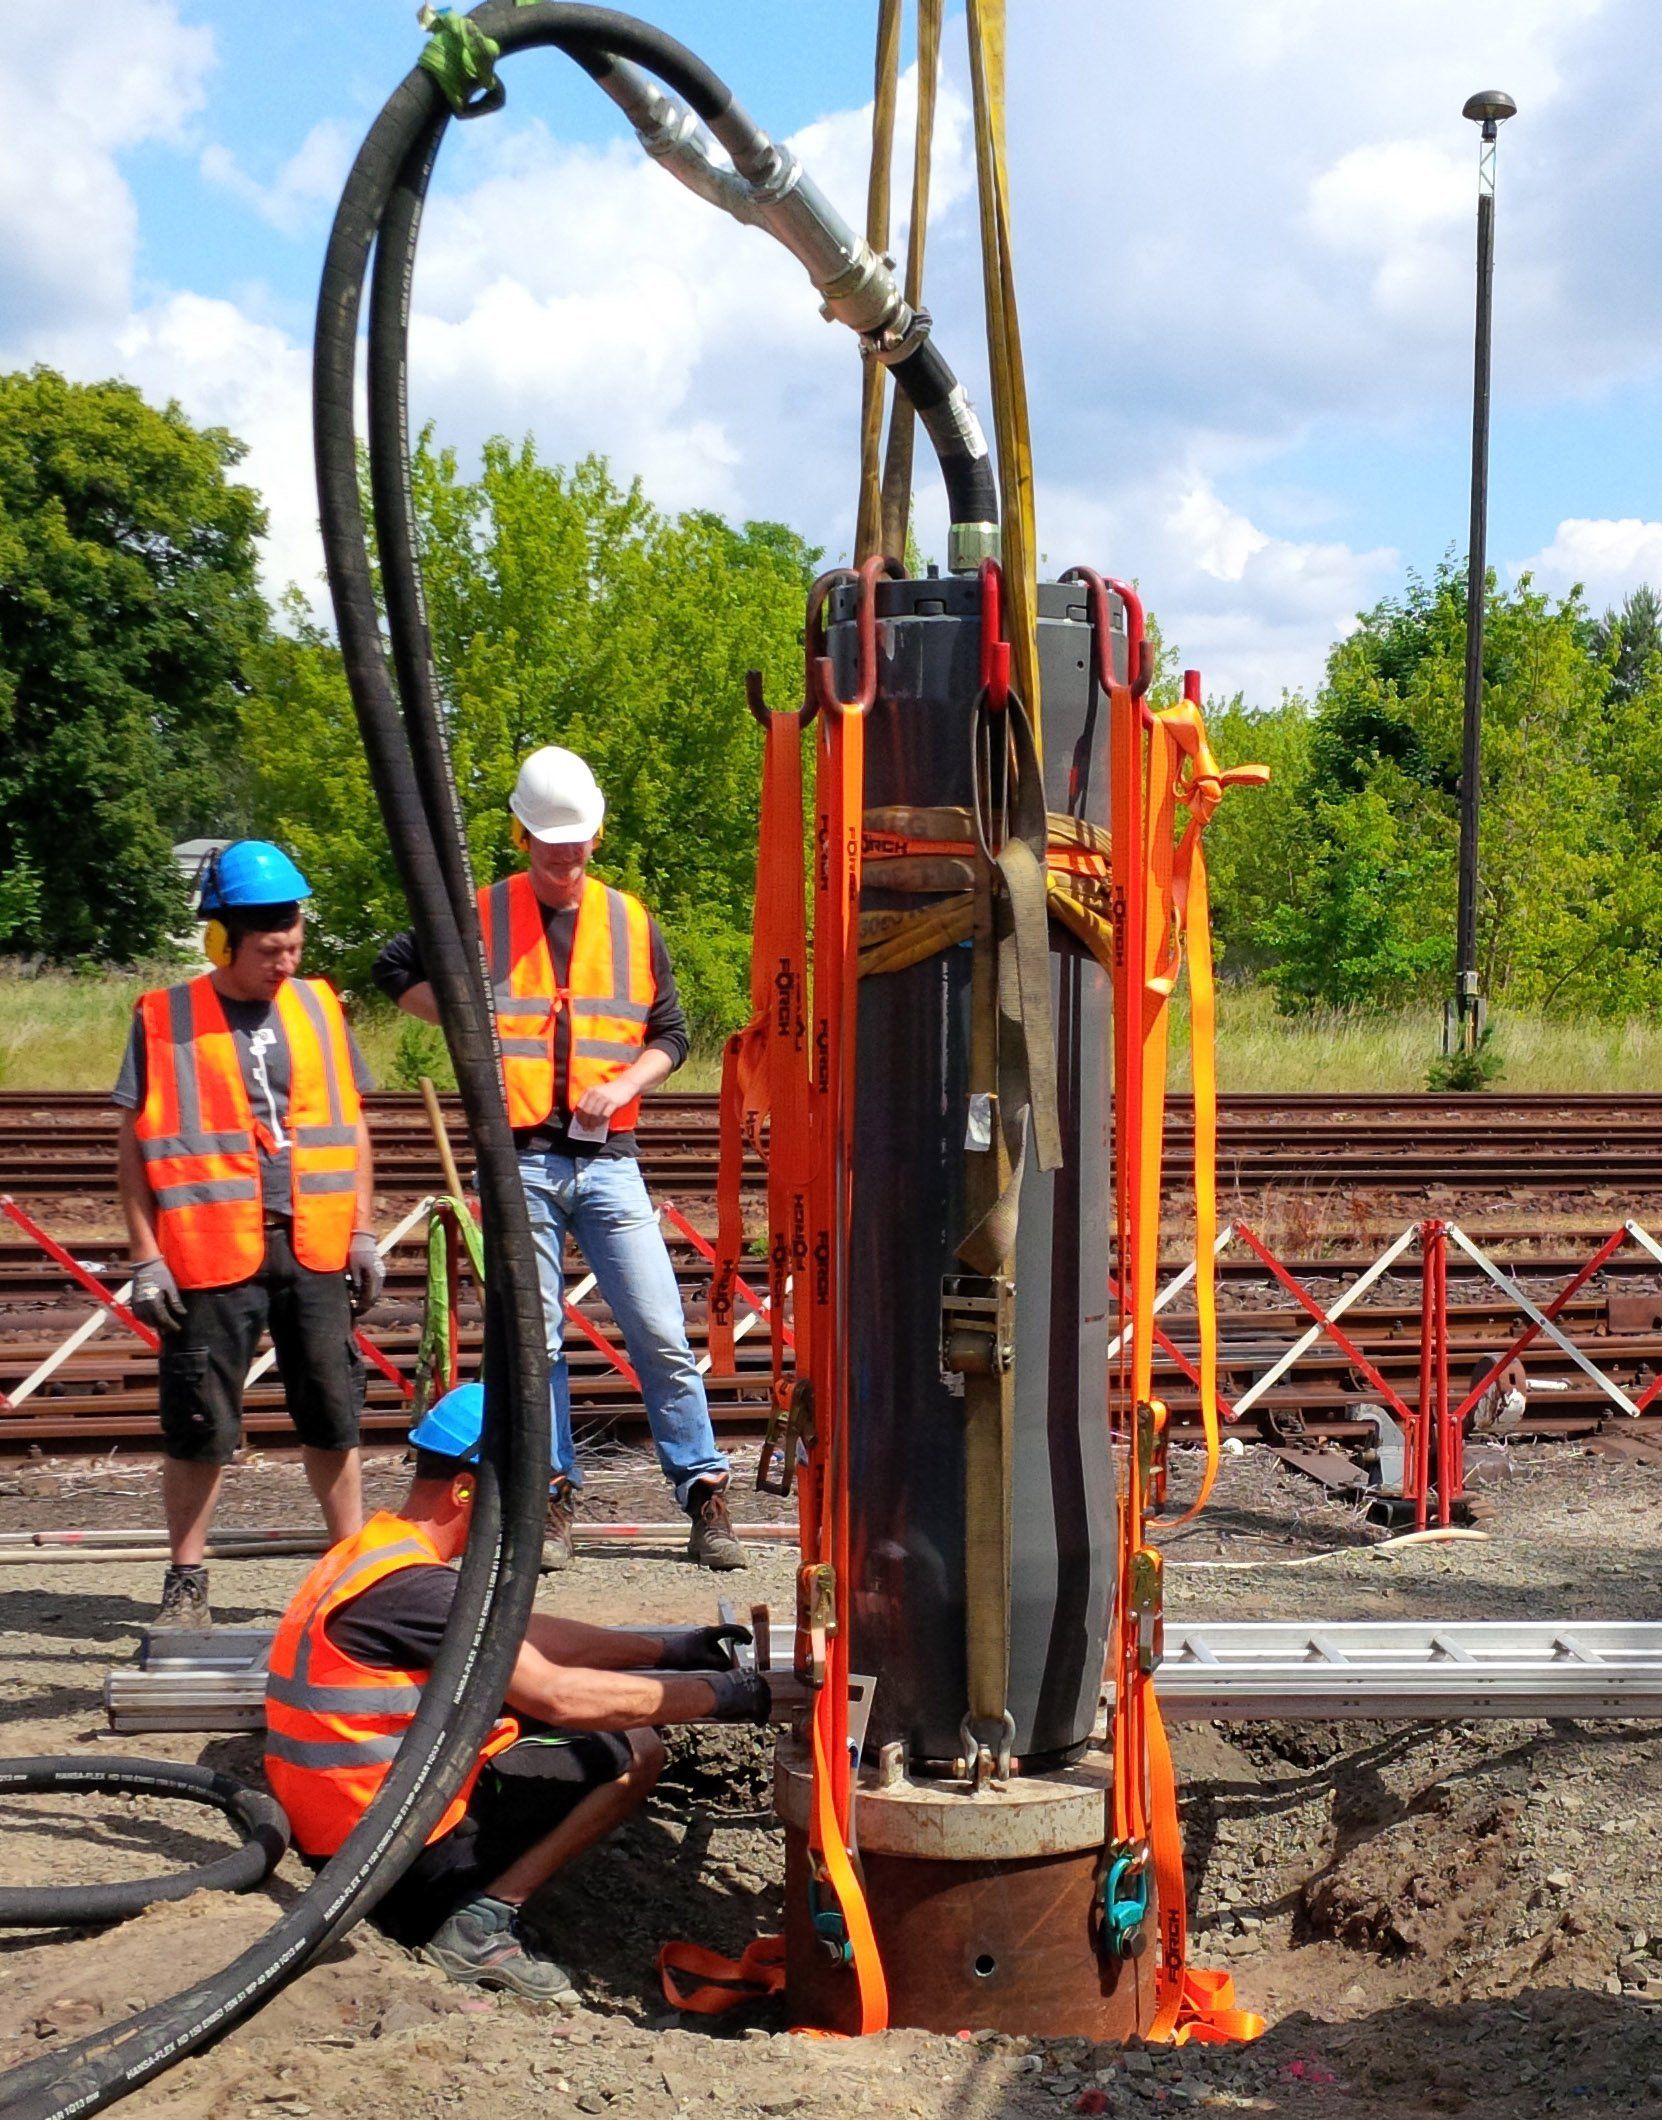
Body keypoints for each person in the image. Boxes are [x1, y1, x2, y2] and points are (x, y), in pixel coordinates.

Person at [265, 1382, 769, 2001]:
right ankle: (476, 1924)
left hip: (347, 1825)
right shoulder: (415, 1591)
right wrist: (724, 1696)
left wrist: (667, 1650)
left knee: (538, 1718)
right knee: (631, 1748)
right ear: (466, 1490)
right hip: (391, 1859)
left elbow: (522, 1633)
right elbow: (556, 1696)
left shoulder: (373, 1557)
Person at [373, 745, 744, 1571]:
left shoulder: (632, 921)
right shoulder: (480, 912)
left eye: (576, 848)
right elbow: (391, 965)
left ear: (596, 837)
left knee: (658, 1333)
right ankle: (549, 1497)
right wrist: (469, 1031)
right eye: (550, 849)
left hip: (609, 1157)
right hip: (518, 1163)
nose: (565, 862)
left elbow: (671, 1035)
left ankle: (703, 1492)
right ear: (522, 836)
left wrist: (622, 1089)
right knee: (531, 1343)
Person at [114, 841, 382, 1628]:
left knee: (334, 1413)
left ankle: (352, 1575)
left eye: (295, 946)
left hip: (315, 1241)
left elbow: (353, 1126)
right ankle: (187, 1583)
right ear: (221, 941)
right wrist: (146, 1257)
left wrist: (363, 1232)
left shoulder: (320, 1006)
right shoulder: (165, 1019)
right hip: (208, 1250)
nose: (284, 963)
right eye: (269, 950)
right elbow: (134, 1147)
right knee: (200, 1424)